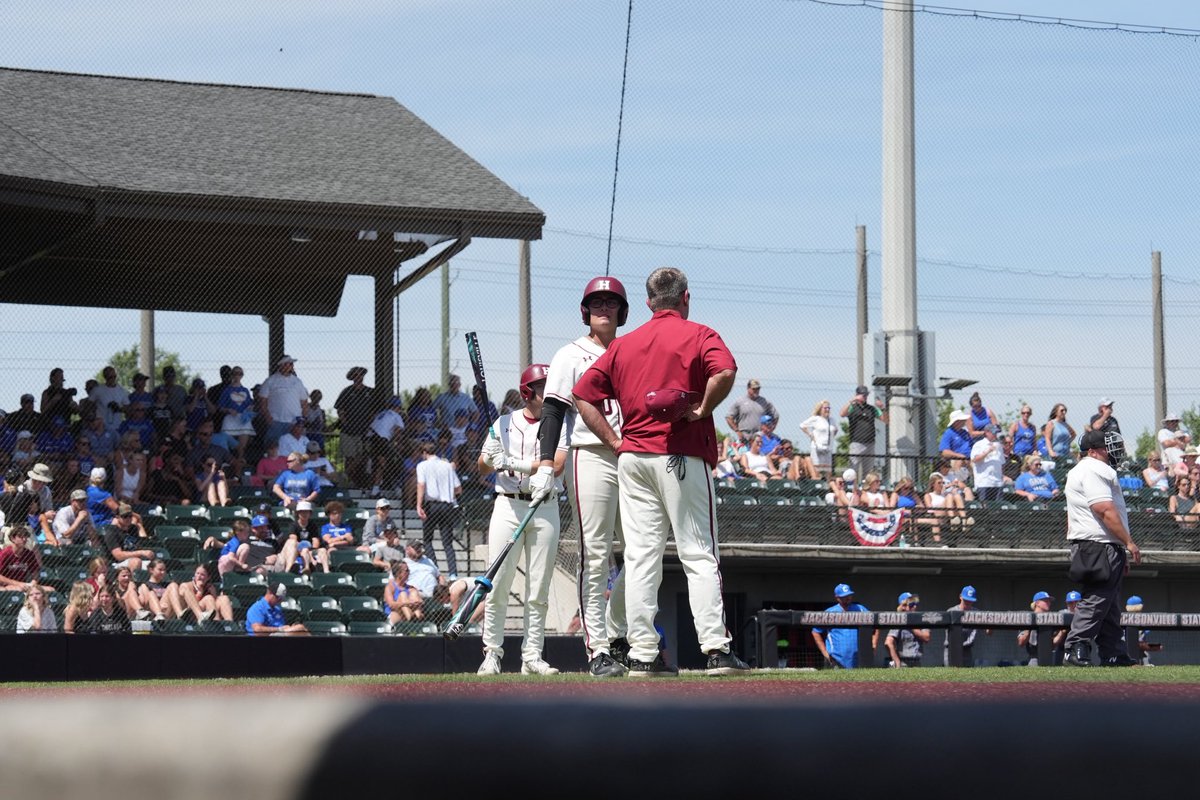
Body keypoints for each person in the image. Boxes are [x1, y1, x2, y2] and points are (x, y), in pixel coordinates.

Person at [567, 266, 749, 677]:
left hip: (632, 458)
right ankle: (716, 650)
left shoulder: (624, 344)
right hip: (681, 453)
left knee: (641, 557)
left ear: (648, 303)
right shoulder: (700, 333)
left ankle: (643, 654)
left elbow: (583, 396)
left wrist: (615, 442)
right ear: (686, 297)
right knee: (698, 553)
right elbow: (725, 371)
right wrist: (703, 408)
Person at [475, 363, 567, 677]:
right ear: (528, 392)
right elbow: (482, 468)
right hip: (508, 507)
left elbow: (555, 466)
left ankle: (532, 656)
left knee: (538, 588)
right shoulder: (503, 423)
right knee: (498, 584)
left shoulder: (560, 422)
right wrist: (490, 457)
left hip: (545, 505)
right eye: (543, 386)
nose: (550, 391)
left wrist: (512, 462)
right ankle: (492, 654)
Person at [1063, 429, 1140, 667]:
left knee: (1110, 603)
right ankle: (1075, 647)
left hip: (1099, 544)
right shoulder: (1094, 468)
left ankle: (1113, 652)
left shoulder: (1083, 470)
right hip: (1098, 545)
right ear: (1093, 451)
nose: (1113, 452)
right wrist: (1127, 542)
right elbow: (1104, 509)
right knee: (1097, 599)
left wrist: (1119, 546)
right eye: (1108, 448)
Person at [415, 441, 462, 579]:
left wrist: (418, 505)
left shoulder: (422, 465)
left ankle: (436, 572)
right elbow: (458, 488)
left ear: (424, 453)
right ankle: (453, 574)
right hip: (447, 506)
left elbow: (421, 485)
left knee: (428, 539)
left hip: (432, 505)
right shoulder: (447, 465)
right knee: (447, 542)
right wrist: (448, 495)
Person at [811, 583, 876, 669]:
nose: (848, 598)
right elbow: (815, 631)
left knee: (861, 682)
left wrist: (873, 645)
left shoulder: (860, 609)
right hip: (836, 659)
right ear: (837, 597)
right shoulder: (830, 612)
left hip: (858, 659)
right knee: (835, 682)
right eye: (844, 596)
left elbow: (876, 626)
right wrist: (825, 653)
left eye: (849, 595)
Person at [334, 366, 377, 488]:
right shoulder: (347, 391)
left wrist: (370, 424)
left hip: (364, 431)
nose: (359, 377)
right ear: (352, 377)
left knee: (363, 456)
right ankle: (349, 481)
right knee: (349, 457)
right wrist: (345, 422)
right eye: (356, 375)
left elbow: (374, 410)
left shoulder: (370, 392)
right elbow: (340, 409)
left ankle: (350, 477)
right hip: (348, 431)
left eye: (361, 375)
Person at [257, 355, 309, 447]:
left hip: (294, 423)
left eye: (291, 364)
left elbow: (304, 402)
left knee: (295, 449)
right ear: (281, 365)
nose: (291, 366)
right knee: (274, 449)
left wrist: (303, 419)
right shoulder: (270, 381)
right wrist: (268, 417)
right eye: (288, 364)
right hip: (276, 421)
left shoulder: (297, 382)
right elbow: (262, 401)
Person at [840, 385, 887, 477]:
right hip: (856, 443)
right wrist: (852, 401)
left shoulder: (871, 408)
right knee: (853, 469)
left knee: (868, 472)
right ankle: (851, 488)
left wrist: (882, 408)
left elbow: (885, 420)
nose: (865, 397)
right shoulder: (852, 407)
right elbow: (842, 413)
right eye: (863, 395)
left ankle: (865, 488)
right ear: (857, 394)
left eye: (866, 395)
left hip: (870, 443)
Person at [944, 585, 990, 667]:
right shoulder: (951, 611)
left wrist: (991, 623)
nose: (968, 603)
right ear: (960, 597)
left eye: (970, 601)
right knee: (951, 676)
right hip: (952, 649)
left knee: (967, 677)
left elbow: (988, 632)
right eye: (966, 600)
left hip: (967, 650)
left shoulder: (976, 613)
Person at [725, 379, 778, 443]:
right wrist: (737, 431)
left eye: (758, 389)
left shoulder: (765, 402)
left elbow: (776, 416)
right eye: (754, 389)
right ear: (748, 388)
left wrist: (770, 430)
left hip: (760, 437)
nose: (756, 391)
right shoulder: (740, 401)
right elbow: (729, 417)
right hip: (744, 436)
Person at [1016, 590, 1061, 666]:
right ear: (1037, 603)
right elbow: (1021, 643)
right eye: (1046, 601)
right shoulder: (1028, 618)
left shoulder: (1050, 619)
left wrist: (1061, 633)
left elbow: (1052, 645)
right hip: (1034, 659)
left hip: (1050, 657)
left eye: (1049, 601)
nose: (1049, 603)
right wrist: (1029, 627)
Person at [885, 592, 930, 667]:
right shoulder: (898, 620)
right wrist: (896, 662)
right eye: (911, 605)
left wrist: (910, 623)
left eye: (915, 604)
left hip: (917, 662)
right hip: (903, 663)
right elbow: (888, 642)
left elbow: (926, 637)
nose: (915, 606)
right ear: (904, 607)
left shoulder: (920, 618)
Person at [799, 399, 836, 481]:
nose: (827, 410)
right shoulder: (816, 419)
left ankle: (827, 486)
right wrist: (810, 434)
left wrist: (831, 438)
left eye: (829, 408)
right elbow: (802, 425)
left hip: (828, 448)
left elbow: (835, 430)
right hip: (817, 447)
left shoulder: (832, 420)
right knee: (817, 469)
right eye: (825, 408)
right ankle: (817, 485)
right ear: (820, 409)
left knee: (828, 470)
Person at [0, 526, 42, 593]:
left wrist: (33, 582)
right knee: (16, 589)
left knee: (50, 589)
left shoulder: (29, 554)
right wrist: (18, 584)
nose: (24, 539)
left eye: (25, 537)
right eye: (21, 537)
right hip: (5, 585)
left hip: (23, 585)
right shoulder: (5, 553)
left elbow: (35, 572)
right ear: (12, 538)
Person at [969, 426, 1005, 505]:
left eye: (996, 432)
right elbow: (974, 459)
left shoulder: (998, 446)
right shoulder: (979, 444)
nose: (995, 434)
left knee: (997, 506)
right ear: (987, 432)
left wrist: (1002, 477)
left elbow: (1002, 463)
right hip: (984, 481)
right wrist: (987, 451)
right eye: (993, 432)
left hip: (997, 482)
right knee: (985, 506)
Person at [1124, 595, 1163, 666]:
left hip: (1135, 654)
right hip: (1126, 654)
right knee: (1145, 657)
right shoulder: (1126, 622)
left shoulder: (1123, 618)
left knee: (1146, 657)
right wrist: (1154, 647)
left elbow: (1141, 644)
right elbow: (1138, 645)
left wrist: (1152, 646)